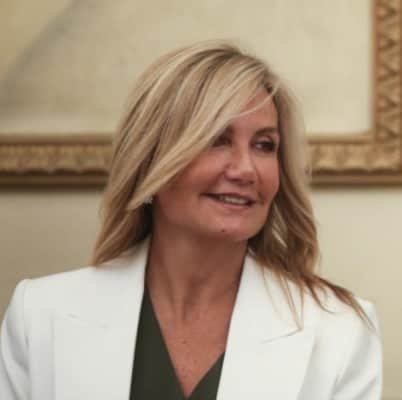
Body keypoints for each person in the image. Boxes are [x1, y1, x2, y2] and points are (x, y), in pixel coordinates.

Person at [0, 40, 382, 400]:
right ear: (151, 160)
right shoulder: (40, 314)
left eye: (264, 145)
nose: (246, 169)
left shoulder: (340, 330)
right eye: (217, 139)